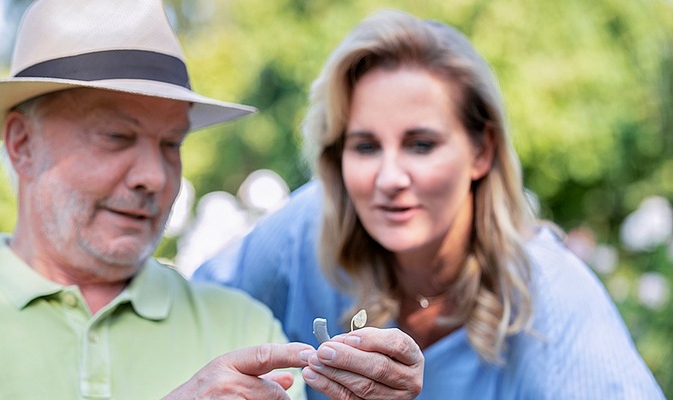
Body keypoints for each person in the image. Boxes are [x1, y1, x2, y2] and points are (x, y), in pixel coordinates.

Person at [0, 1, 424, 399]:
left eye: (171, 143)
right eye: (116, 136)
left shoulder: (243, 328)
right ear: (21, 143)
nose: (154, 175)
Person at [194, 9, 666, 400]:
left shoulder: (552, 296)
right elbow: (181, 316)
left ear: (481, 151)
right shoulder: (303, 231)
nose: (390, 178)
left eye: (420, 144)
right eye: (365, 146)